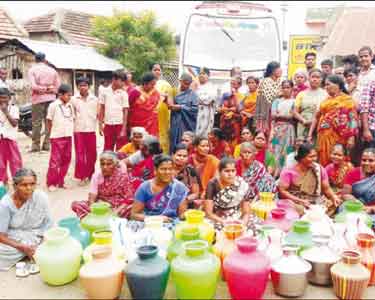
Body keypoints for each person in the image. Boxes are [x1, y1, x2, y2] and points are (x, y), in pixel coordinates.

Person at [0, 169, 52, 270]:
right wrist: (23, 247)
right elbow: (1, 236)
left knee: (54, 237)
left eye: (32, 184)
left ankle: (33, 250)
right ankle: (29, 251)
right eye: (24, 185)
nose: (29, 188)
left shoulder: (41, 197)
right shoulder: (5, 205)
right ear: (15, 186)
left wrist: (42, 242)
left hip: (36, 235)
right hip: (15, 238)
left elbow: (48, 223)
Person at [308, 75, 358, 166]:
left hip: (339, 135)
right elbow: (317, 116)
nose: (326, 87)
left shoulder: (347, 99)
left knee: (338, 157)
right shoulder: (326, 100)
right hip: (323, 135)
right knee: (323, 158)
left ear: (338, 85)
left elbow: (353, 118)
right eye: (325, 85)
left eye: (328, 84)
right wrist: (310, 134)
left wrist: (352, 137)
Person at [278, 143, 341, 216]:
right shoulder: (288, 172)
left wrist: (333, 197)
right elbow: (282, 191)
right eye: (311, 157)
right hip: (295, 202)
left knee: (334, 203)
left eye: (315, 156)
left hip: (314, 201)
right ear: (301, 158)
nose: (314, 159)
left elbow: (326, 188)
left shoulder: (319, 169)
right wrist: (300, 201)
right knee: (299, 210)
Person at [72, 151, 136, 219]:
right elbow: (92, 198)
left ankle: (106, 218)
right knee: (76, 205)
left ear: (115, 165)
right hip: (101, 205)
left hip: (118, 206)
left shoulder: (123, 176)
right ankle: (98, 218)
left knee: (130, 208)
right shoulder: (97, 176)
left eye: (109, 164)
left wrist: (117, 211)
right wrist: (95, 210)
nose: (105, 167)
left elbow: (129, 198)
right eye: (102, 164)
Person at [204, 157, 259, 231]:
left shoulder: (241, 184)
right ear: (220, 172)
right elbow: (208, 213)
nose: (230, 174)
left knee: (254, 226)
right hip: (218, 218)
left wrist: (242, 223)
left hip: (237, 216)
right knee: (215, 230)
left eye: (233, 171)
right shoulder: (213, 184)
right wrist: (224, 222)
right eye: (227, 171)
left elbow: (246, 212)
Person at [131, 154, 189, 221]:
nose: (167, 172)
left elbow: (181, 215)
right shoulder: (145, 187)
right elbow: (134, 215)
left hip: (172, 223)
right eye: (163, 169)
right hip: (150, 224)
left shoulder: (179, 187)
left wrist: (188, 214)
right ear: (155, 170)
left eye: (170, 169)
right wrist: (156, 219)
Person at [28, 52, 60, 152]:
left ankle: (35, 146)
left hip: (38, 99)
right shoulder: (52, 70)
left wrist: (42, 89)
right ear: (44, 60)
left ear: (35, 59)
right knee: (49, 122)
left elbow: (34, 86)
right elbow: (57, 87)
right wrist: (49, 89)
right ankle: (47, 145)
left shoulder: (32, 70)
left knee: (36, 123)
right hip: (51, 99)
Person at [46, 84, 74, 192]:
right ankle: (51, 183)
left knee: (66, 160)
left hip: (68, 136)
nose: (69, 97)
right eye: (68, 95)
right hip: (57, 136)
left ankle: (61, 181)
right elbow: (49, 120)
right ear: (60, 94)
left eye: (70, 95)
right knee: (54, 162)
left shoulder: (70, 106)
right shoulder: (53, 105)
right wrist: (50, 134)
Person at [70, 77, 98, 186]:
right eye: (80, 85)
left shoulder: (95, 99)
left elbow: (98, 113)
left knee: (92, 154)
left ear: (89, 86)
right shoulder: (73, 99)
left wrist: (100, 126)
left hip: (91, 129)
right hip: (78, 130)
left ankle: (90, 174)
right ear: (77, 87)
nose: (83, 87)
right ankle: (82, 176)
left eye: (85, 85)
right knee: (80, 155)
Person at [99, 70, 129, 151]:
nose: (123, 83)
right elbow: (102, 108)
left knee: (120, 150)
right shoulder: (104, 92)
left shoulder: (124, 94)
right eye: (121, 81)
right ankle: (108, 164)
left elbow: (125, 111)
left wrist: (123, 129)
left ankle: (119, 164)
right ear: (114, 79)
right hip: (108, 125)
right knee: (108, 149)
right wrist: (100, 125)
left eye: (124, 81)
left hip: (119, 125)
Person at [270, 80, 296, 175]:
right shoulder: (277, 101)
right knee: (275, 149)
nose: (285, 90)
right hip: (277, 130)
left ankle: (285, 173)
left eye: (288, 87)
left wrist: (280, 115)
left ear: (292, 88)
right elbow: (273, 115)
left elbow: (293, 116)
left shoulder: (295, 101)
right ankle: (274, 173)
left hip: (289, 130)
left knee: (288, 151)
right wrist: (286, 116)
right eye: (283, 87)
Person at [293, 69, 327, 139]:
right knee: (302, 148)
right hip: (303, 125)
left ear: (321, 79)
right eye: (313, 77)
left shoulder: (326, 94)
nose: (315, 79)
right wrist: (304, 121)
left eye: (317, 77)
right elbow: (294, 112)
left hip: (320, 126)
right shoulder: (301, 94)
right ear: (308, 78)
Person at [169, 73, 198, 153]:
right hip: (175, 121)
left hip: (186, 124)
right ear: (180, 81)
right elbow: (170, 105)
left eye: (188, 84)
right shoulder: (174, 91)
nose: (186, 86)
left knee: (185, 140)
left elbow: (195, 109)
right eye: (185, 83)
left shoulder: (193, 94)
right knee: (174, 139)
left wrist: (181, 107)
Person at [342, 148, 375, 213]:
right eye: (364, 160)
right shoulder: (353, 173)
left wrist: (371, 209)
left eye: (371, 161)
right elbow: (345, 194)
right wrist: (356, 203)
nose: (367, 163)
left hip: (372, 210)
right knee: (343, 209)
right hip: (354, 207)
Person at [0, 88, 22, 185]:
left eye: (5, 98)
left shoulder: (14, 108)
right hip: (1, 139)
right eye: (0, 98)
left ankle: (17, 182)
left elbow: (14, 124)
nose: (2, 100)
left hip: (11, 139)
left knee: (15, 162)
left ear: (9, 98)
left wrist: (6, 112)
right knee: (1, 164)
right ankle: (3, 182)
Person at [128, 72, 159, 137]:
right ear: (145, 83)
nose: (153, 87)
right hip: (136, 125)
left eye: (154, 85)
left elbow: (155, 108)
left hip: (151, 126)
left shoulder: (155, 92)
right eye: (152, 84)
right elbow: (127, 108)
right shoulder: (134, 92)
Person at [255, 61, 282, 132]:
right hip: (266, 112)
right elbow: (270, 97)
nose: (281, 70)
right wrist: (281, 94)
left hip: (278, 112)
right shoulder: (266, 81)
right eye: (278, 68)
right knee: (268, 133)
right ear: (272, 71)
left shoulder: (279, 81)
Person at [152, 64, 172, 154]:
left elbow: (171, 103)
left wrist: (165, 98)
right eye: (155, 69)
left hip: (163, 116)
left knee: (163, 136)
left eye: (159, 70)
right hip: (151, 117)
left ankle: (163, 157)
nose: (157, 71)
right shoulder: (147, 84)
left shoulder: (166, 85)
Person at [195, 67, 217, 138]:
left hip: (206, 114)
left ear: (208, 75)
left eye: (203, 73)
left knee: (205, 137)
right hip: (196, 114)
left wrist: (199, 100)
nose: (201, 75)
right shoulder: (196, 87)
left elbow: (209, 99)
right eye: (200, 73)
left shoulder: (212, 87)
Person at [359, 75, 375, 148]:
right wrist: (366, 129)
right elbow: (364, 108)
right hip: (372, 128)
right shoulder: (370, 84)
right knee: (370, 155)